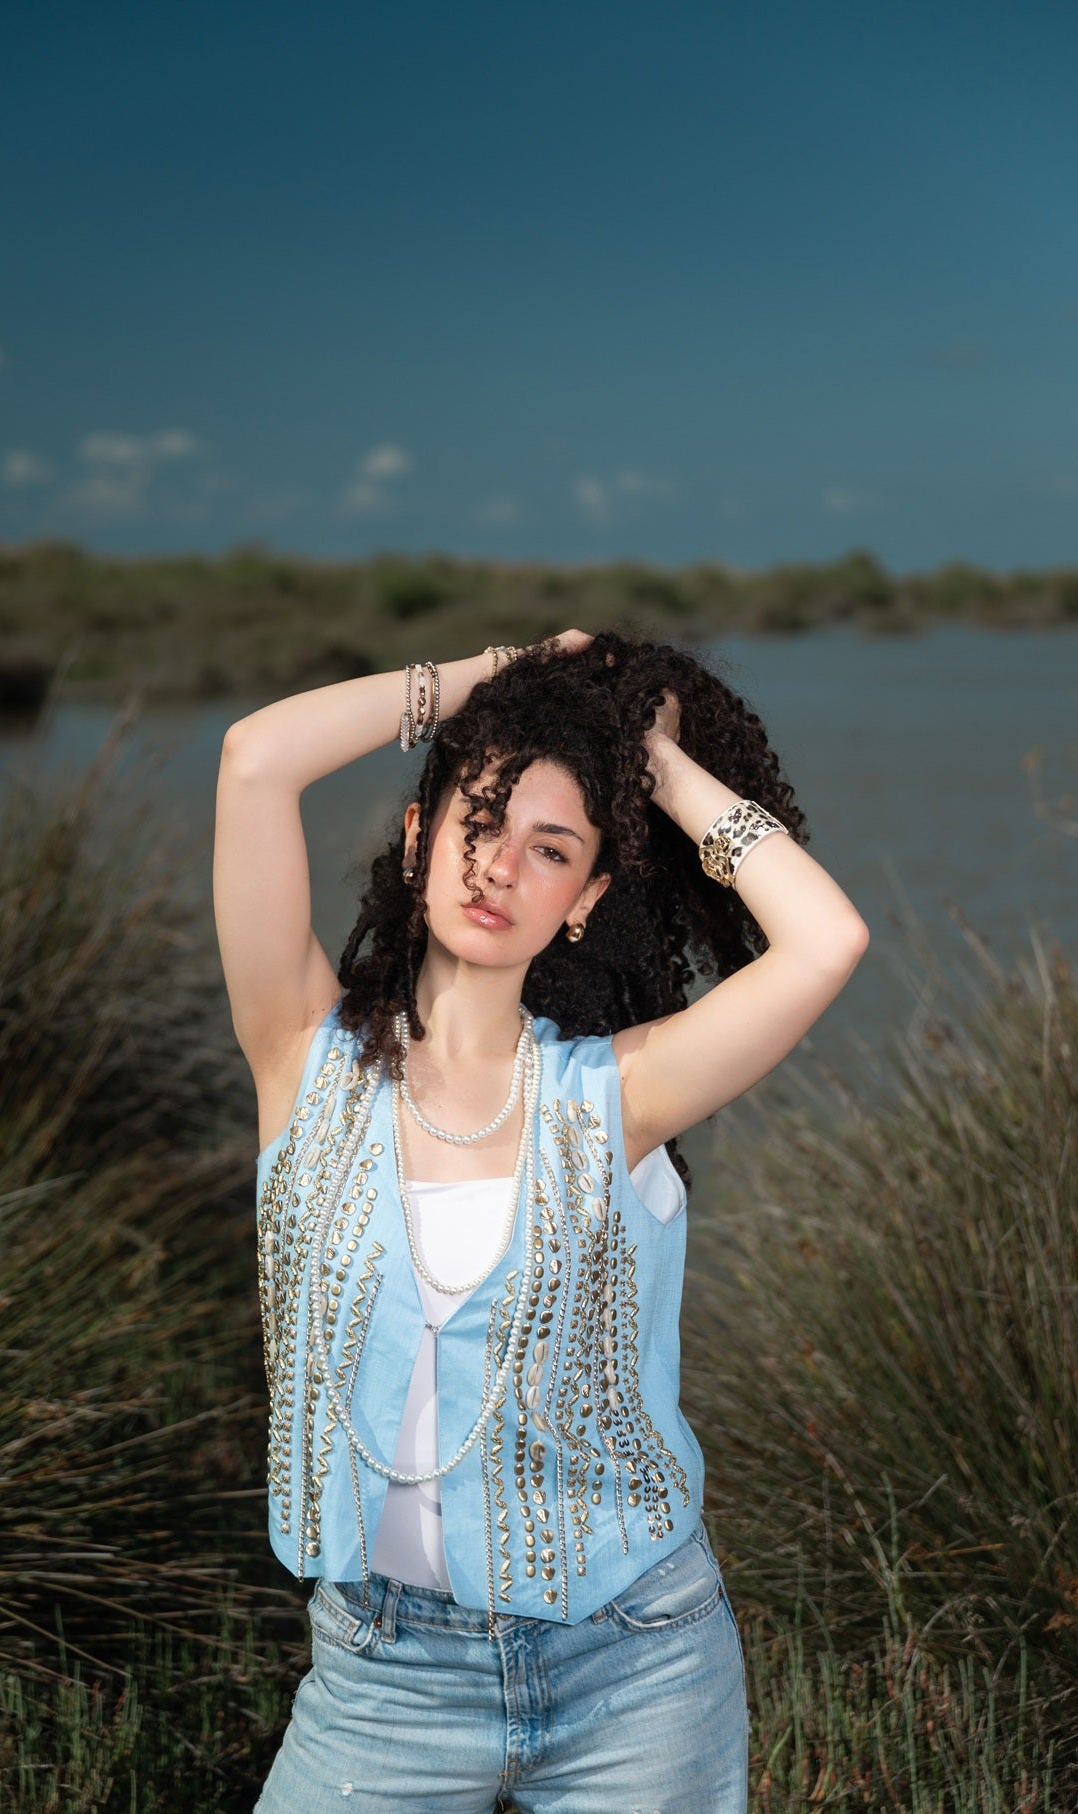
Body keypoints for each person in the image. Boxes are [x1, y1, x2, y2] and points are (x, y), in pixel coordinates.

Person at [213, 630, 868, 1813]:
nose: (497, 864)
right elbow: (255, 756)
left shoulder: (614, 1093)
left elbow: (825, 940)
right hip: (383, 1679)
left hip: (637, 1662)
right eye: (477, 819)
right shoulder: (298, 1058)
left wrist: (648, 758)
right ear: (418, 838)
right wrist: (488, 675)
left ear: (588, 897)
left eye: (550, 847)